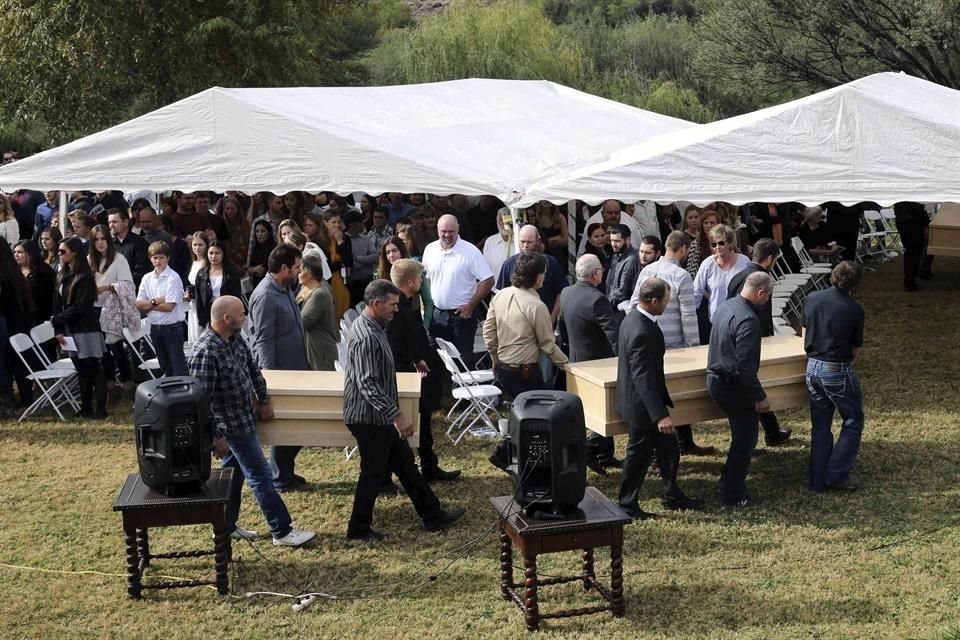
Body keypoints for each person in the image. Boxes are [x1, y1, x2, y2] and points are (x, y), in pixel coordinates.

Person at [343, 279, 466, 541]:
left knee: (406, 467)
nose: (396, 309)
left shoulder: (374, 327)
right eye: (392, 304)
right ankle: (358, 528)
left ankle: (433, 516)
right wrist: (396, 415)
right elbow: (368, 384)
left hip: (376, 416)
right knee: (373, 474)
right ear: (376, 304)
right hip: (369, 418)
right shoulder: (367, 336)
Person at [188, 295, 316, 547]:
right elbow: (202, 402)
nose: (245, 317)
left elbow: (252, 370)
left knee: (232, 475)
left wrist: (264, 399)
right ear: (226, 319)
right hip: (230, 427)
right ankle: (281, 530)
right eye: (241, 314)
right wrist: (216, 436)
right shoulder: (205, 351)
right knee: (260, 475)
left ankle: (225, 525)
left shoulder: (235, 340)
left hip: (245, 419)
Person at [617, 278, 704, 520]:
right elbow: (643, 377)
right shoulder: (643, 330)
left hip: (642, 404)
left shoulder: (632, 319)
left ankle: (672, 494)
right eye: (666, 300)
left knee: (669, 450)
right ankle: (627, 505)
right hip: (644, 408)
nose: (668, 304)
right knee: (638, 457)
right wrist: (660, 415)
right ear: (653, 301)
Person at [628, 231, 712, 456]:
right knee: (676, 393)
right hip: (674, 344)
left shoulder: (647, 270)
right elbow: (688, 314)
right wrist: (694, 347)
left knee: (658, 390)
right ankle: (674, 443)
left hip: (647, 338)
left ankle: (684, 440)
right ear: (683, 250)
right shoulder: (682, 275)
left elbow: (634, 302)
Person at [388, 259, 460, 482]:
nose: (421, 282)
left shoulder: (406, 303)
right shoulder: (397, 308)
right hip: (408, 377)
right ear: (410, 281)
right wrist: (413, 363)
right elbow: (396, 344)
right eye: (420, 278)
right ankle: (416, 468)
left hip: (418, 370)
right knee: (415, 423)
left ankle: (429, 466)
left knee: (425, 421)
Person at [707, 271, 775, 507]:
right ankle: (733, 493)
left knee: (741, 435)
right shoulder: (748, 320)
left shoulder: (727, 306)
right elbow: (745, 366)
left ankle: (728, 479)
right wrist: (760, 397)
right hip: (732, 385)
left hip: (716, 378)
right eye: (767, 297)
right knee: (745, 438)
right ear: (761, 293)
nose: (767, 302)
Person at [248, 244, 310, 493]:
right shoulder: (265, 296)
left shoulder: (283, 289)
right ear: (283, 268)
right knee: (284, 426)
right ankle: (280, 477)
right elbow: (263, 340)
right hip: (280, 373)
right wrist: (268, 381)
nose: (298, 272)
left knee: (296, 424)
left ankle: (285, 471)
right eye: (296, 267)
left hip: (295, 367)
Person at [802, 261, 866, 492]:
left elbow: (804, 332)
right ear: (855, 284)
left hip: (812, 367)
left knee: (820, 425)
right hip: (836, 367)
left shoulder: (812, 298)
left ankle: (817, 480)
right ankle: (836, 474)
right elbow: (854, 349)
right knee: (853, 419)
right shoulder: (854, 310)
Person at [558, 254, 622, 474]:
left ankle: (605, 454)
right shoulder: (597, 299)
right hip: (600, 364)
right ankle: (591, 449)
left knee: (592, 410)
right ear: (595, 273)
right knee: (605, 411)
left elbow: (562, 327)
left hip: (578, 360)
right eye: (601, 271)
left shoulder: (566, 293)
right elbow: (613, 334)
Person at [727, 238, 792, 448]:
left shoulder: (737, 276)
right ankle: (755, 438)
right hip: (752, 339)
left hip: (733, 336)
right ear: (771, 259)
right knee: (753, 389)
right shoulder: (762, 280)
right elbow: (763, 316)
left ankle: (772, 431)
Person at [483, 253, 569, 399]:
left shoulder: (499, 296)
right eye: (543, 273)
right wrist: (568, 366)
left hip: (503, 369)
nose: (545, 276)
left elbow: (488, 333)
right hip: (525, 373)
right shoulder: (536, 306)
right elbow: (548, 345)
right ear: (537, 276)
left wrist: (494, 360)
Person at [422, 214, 494, 370]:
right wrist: (426, 306)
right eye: (443, 231)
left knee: (464, 359)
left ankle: (465, 392)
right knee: (435, 357)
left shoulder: (470, 251)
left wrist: (471, 305)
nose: (447, 235)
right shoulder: (430, 249)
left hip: (462, 316)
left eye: (451, 231)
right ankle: (445, 393)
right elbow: (426, 279)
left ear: (458, 229)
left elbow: (488, 280)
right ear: (437, 230)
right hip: (437, 313)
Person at [52, 237, 107, 418]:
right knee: (81, 368)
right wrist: (58, 328)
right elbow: (57, 303)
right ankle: (86, 407)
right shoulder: (62, 274)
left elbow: (81, 306)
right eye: (59, 251)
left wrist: (58, 319)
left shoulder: (84, 277)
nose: (59, 254)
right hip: (69, 328)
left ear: (74, 252)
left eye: (63, 251)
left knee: (92, 366)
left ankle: (99, 408)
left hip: (86, 328)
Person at [89, 224, 136, 400]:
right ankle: (110, 384)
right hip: (94, 309)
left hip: (112, 310)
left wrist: (108, 287)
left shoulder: (119, 259)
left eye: (103, 239)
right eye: (96, 240)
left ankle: (127, 382)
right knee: (102, 351)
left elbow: (128, 285)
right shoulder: (89, 260)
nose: (100, 243)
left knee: (116, 349)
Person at [135, 241, 188, 377]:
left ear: (168, 258)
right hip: (155, 327)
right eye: (155, 257)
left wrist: (149, 305)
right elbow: (139, 304)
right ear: (150, 258)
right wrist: (157, 300)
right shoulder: (147, 278)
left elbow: (169, 307)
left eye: (161, 257)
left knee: (177, 366)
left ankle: (182, 394)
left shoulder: (173, 278)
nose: (158, 261)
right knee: (165, 365)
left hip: (172, 327)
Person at [496, 225, 567, 322]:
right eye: (522, 241)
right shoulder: (509, 264)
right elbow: (502, 295)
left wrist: (553, 318)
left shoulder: (550, 262)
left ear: (538, 241)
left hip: (544, 317)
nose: (525, 245)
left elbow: (561, 292)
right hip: (517, 321)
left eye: (529, 242)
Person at [694, 223, 751, 342]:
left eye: (721, 243)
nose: (717, 247)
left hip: (740, 320)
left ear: (730, 243)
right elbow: (696, 292)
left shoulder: (744, 262)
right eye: (713, 244)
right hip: (716, 322)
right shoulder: (707, 264)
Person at [297, 252, 339, 371]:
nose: (298, 275)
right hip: (313, 348)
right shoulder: (306, 289)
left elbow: (303, 321)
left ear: (309, 273)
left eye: (300, 271)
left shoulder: (320, 293)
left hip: (321, 351)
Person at [194, 240, 244, 329]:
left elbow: (236, 296)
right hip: (209, 317)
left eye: (217, 253)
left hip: (228, 316)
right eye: (211, 253)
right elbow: (199, 300)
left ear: (223, 254)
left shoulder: (231, 274)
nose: (213, 256)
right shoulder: (201, 274)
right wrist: (202, 320)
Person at [577, 199, 645, 257]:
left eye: (616, 213)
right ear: (602, 214)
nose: (613, 215)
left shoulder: (630, 222)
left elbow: (637, 248)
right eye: (609, 213)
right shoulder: (592, 222)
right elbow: (582, 253)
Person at [893, 201, 931, 291]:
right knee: (914, 252)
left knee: (911, 252)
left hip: (903, 221)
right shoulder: (913, 199)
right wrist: (926, 224)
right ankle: (910, 281)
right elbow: (919, 210)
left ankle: (910, 280)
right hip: (912, 222)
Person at [107, 208, 150, 289]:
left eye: (115, 222)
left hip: (133, 291)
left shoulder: (139, 243)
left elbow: (142, 270)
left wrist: (122, 286)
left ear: (126, 222)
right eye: (109, 222)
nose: (111, 225)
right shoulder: (110, 244)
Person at [322, 210, 352, 319]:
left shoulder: (346, 239)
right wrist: (339, 264)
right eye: (333, 222)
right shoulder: (321, 241)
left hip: (342, 281)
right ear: (326, 223)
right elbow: (326, 266)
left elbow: (348, 262)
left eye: (339, 222)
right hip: (328, 281)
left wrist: (340, 242)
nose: (337, 225)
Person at [345, 210, 377, 307]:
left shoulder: (366, 239)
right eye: (360, 222)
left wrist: (358, 259)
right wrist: (365, 261)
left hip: (367, 280)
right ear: (353, 225)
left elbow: (375, 257)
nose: (363, 225)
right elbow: (349, 263)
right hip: (352, 283)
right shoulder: (344, 241)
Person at [605, 224, 639, 313]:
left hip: (621, 310)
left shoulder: (631, 260)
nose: (613, 244)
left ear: (628, 240)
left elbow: (622, 292)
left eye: (617, 241)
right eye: (611, 240)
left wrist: (605, 305)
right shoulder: (616, 254)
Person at [184, 232, 210, 345]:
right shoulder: (194, 262)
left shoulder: (207, 263)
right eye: (195, 245)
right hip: (192, 303)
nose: (197, 248)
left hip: (202, 302)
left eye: (200, 245)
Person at [530, 200, 569, 268]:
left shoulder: (560, 217)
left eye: (549, 198)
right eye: (544, 199)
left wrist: (545, 241)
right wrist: (557, 238)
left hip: (558, 256)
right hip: (541, 255)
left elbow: (566, 241)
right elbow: (536, 241)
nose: (547, 201)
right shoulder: (536, 218)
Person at [685, 209, 720, 278]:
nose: (709, 225)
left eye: (712, 222)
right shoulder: (696, 244)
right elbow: (691, 271)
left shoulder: (725, 242)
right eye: (706, 223)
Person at [482, 207, 515, 281]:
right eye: (501, 220)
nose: (503, 223)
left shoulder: (520, 240)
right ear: (497, 222)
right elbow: (485, 270)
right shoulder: (490, 242)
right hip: (495, 291)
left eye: (506, 219)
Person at [247, 219, 276, 288]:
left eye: (263, 231)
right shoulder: (255, 249)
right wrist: (254, 270)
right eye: (257, 231)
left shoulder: (274, 249)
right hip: (257, 284)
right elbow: (249, 268)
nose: (260, 234)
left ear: (268, 232)